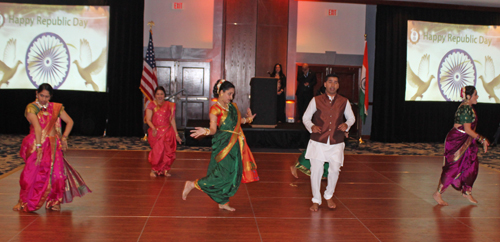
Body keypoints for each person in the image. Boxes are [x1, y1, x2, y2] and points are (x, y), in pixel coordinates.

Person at [182, 79, 259, 211]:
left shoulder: (232, 107)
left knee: (232, 174)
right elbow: (213, 130)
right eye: (229, 94)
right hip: (223, 144)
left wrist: (249, 119)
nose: (231, 97)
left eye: (232, 95)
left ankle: (223, 201)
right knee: (221, 175)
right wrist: (205, 131)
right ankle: (193, 184)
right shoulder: (215, 109)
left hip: (235, 145)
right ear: (221, 92)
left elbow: (238, 122)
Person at [13, 83, 91, 212]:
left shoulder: (56, 107)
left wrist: (64, 137)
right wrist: (38, 147)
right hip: (35, 145)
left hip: (53, 147)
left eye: (47, 96)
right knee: (30, 176)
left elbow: (70, 122)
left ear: (51, 96)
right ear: (36, 94)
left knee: (58, 176)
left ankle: (54, 201)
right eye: (41, 95)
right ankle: (23, 202)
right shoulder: (31, 108)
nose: (44, 99)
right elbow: (37, 128)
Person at [302, 74, 355, 212]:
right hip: (318, 141)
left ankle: (329, 195)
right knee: (316, 171)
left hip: (336, 141)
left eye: (335, 82)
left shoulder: (344, 101)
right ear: (325, 84)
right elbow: (305, 117)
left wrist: (346, 125)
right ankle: (316, 200)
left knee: (335, 170)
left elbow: (351, 118)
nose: (332, 85)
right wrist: (311, 126)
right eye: (330, 82)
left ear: (338, 85)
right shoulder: (316, 100)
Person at [433, 86, 490, 206]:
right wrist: (482, 139)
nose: (477, 96)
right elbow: (468, 130)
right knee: (453, 168)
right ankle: (438, 193)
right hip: (457, 141)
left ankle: (467, 191)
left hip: (467, 140)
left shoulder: (469, 107)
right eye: (475, 94)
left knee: (472, 165)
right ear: (469, 97)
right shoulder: (466, 109)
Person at [145, 86, 182, 177]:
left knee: (168, 152)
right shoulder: (151, 105)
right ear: (155, 95)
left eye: (161, 94)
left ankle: (165, 169)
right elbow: (148, 119)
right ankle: (154, 170)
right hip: (156, 132)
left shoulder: (169, 105)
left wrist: (176, 134)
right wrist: (153, 128)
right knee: (157, 152)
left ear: (164, 95)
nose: (160, 96)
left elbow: (172, 120)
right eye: (158, 94)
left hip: (168, 132)